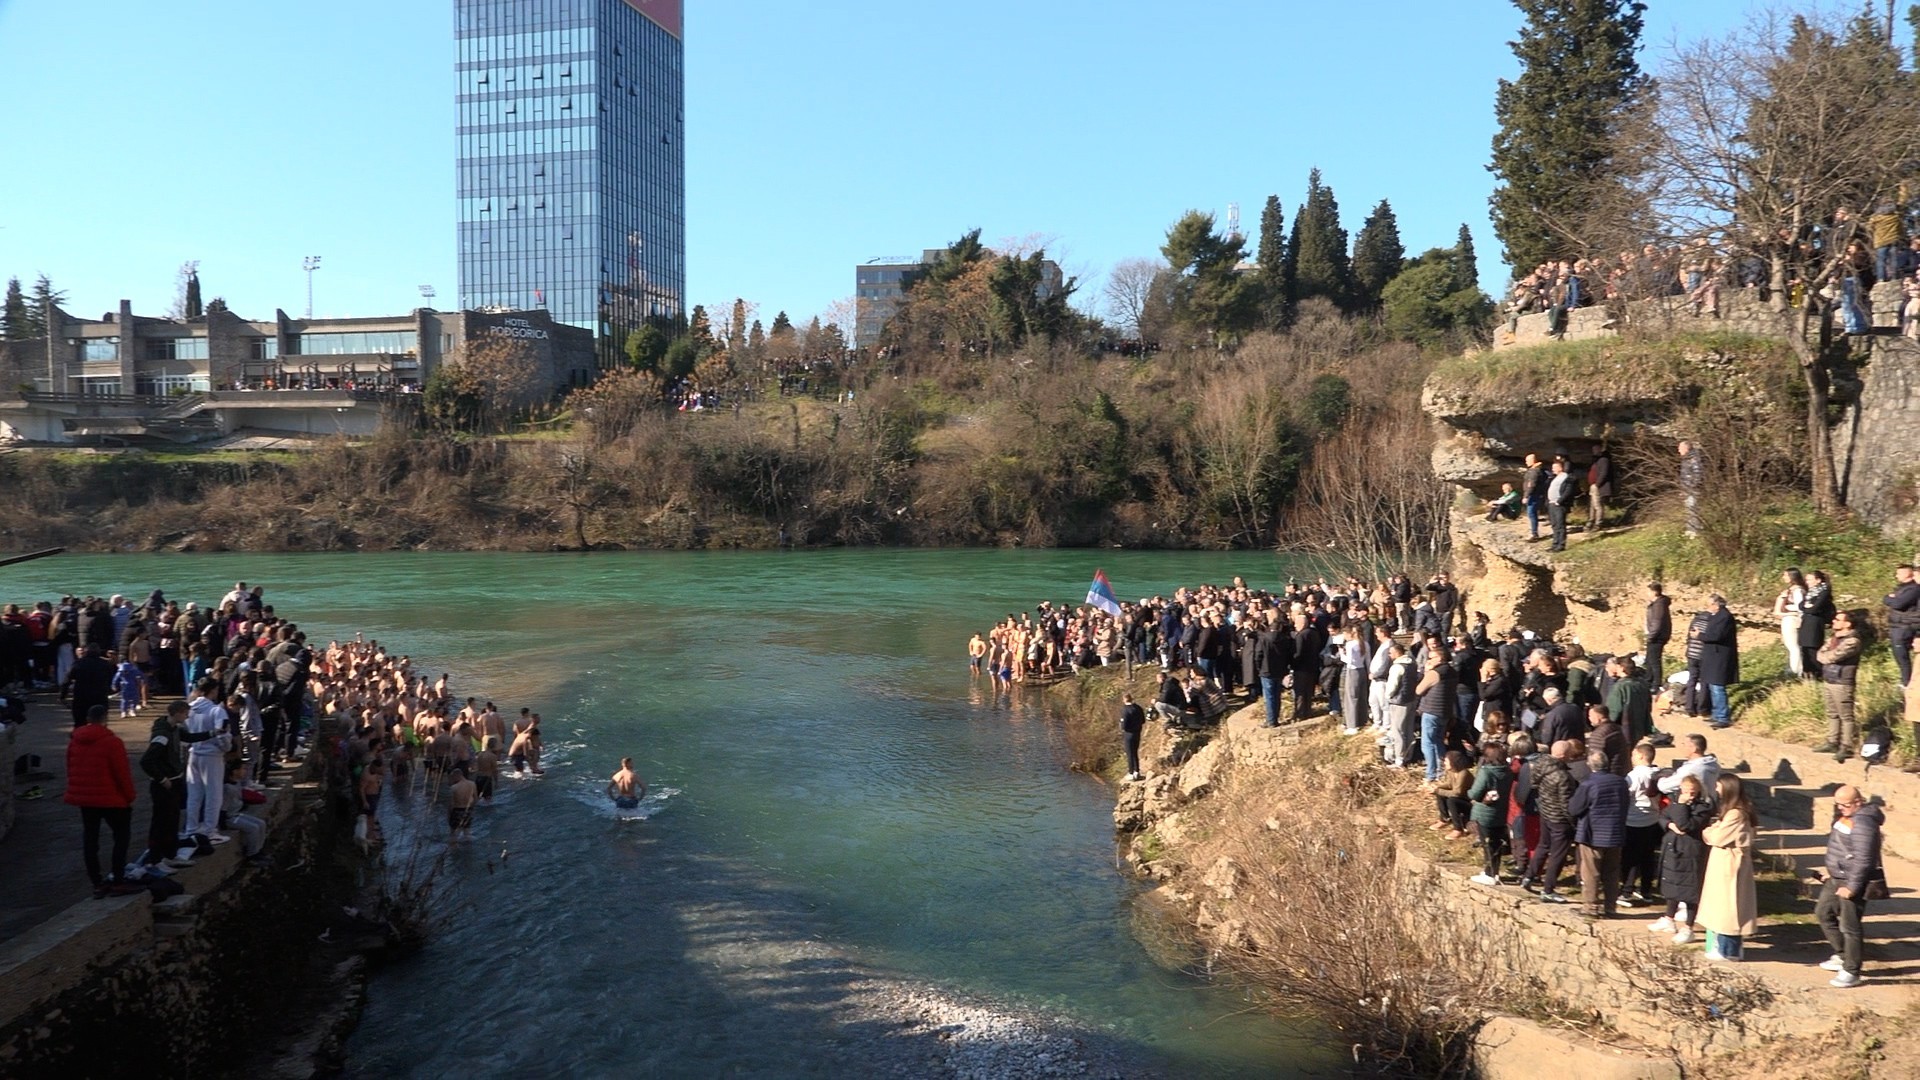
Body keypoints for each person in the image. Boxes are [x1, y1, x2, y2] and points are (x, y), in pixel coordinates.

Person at [1813, 785, 1885, 988]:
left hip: (1851, 881)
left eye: (1844, 805)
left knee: (1850, 926)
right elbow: (1842, 848)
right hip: (1837, 877)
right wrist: (1832, 870)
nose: (1840, 808)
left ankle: (1852, 971)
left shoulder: (1863, 823)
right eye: (1837, 804)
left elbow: (1864, 859)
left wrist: (1852, 887)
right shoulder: (1847, 816)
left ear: (1858, 802)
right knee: (1823, 912)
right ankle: (1843, 955)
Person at [67, 703, 140, 898]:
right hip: (111, 798)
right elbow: (122, 773)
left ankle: (97, 883)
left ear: (88, 719)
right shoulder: (112, 742)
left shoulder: (75, 741)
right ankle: (118, 879)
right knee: (121, 837)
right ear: (105, 718)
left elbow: (70, 768)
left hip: (86, 798)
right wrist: (130, 796)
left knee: (90, 839)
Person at [139, 700, 213, 870]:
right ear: (178, 713)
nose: (187, 717)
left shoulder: (174, 729)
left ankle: (169, 855)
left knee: (172, 821)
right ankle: (156, 858)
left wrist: (212, 733)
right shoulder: (163, 735)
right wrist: (162, 779)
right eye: (186, 714)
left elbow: (189, 737)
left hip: (174, 781)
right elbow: (146, 761)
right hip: (165, 786)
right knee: (161, 823)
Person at [1697, 774, 1757, 961]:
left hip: (1730, 866)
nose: (1716, 790)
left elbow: (1716, 837)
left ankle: (1729, 951)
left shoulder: (1736, 814)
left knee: (1729, 909)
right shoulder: (1733, 811)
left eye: (1718, 786)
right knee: (1722, 907)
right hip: (1725, 863)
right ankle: (1726, 947)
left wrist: (1709, 832)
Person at [1649, 773, 1712, 944]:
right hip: (1673, 848)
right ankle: (1669, 919)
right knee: (1672, 884)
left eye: (1692, 792)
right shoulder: (1675, 802)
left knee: (1690, 890)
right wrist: (1670, 825)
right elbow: (1663, 816)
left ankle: (1688, 927)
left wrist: (1681, 806)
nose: (1689, 796)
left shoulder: (1703, 808)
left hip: (1690, 853)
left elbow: (1685, 825)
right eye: (1685, 792)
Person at [1569, 748, 1629, 918]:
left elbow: (1574, 808)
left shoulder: (1588, 784)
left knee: (1591, 872)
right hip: (1615, 832)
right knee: (1612, 873)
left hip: (1592, 834)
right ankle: (1610, 907)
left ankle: (1591, 907)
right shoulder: (1621, 782)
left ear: (1590, 765)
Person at [1524, 740, 1579, 901]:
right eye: (1569, 753)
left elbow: (1534, 784)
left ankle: (1528, 877)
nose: (1571, 756)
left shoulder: (1541, 764)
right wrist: (1573, 823)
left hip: (1545, 812)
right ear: (1563, 755)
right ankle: (1548, 890)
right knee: (1558, 854)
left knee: (1543, 846)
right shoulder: (1562, 776)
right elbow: (1566, 804)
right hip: (1559, 819)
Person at [1814, 610, 1865, 762]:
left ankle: (1846, 746)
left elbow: (1832, 656)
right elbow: (1820, 655)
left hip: (1842, 682)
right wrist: (1826, 656)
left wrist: (1826, 656)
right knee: (1832, 713)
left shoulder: (1852, 641)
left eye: (1838, 619)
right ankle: (1832, 741)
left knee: (1846, 716)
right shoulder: (1834, 638)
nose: (1834, 621)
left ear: (1847, 624)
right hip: (1829, 679)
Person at [1620, 742, 1665, 907]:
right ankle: (1646, 891)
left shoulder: (1634, 776)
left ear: (1640, 756)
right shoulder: (1658, 774)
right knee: (1648, 857)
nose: (1631, 758)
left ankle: (1626, 891)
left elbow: (1625, 796)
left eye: (1633, 755)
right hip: (1652, 820)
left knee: (1630, 858)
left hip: (1633, 821)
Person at [1467, 741, 1515, 886]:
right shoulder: (1509, 771)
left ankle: (1490, 874)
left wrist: (1469, 792)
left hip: (1485, 814)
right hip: (1501, 812)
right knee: (1495, 843)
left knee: (1488, 844)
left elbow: (1474, 794)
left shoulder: (1486, 772)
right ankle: (1494, 872)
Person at [1695, 594, 1739, 728]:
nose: (1708, 608)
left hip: (1720, 656)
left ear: (1716, 604)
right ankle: (1716, 714)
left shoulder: (1724, 617)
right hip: (1713, 656)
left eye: (1709, 604)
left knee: (1717, 687)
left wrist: (1699, 635)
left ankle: (1723, 717)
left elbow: (1717, 635)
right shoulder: (1717, 616)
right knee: (1712, 686)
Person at [1883, 564, 1918, 688]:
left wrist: (1887, 598)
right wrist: (1890, 598)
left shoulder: (1913, 589)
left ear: (1907, 574)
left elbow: (1898, 603)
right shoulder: (1902, 588)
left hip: (1903, 627)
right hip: (1898, 626)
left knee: (1902, 657)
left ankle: (1907, 683)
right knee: (1900, 657)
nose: (1896, 576)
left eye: (1898, 573)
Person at [1657, 734, 1722, 799]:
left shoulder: (1692, 769)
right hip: (1712, 803)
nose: (1682, 747)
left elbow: (1663, 787)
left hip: (1696, 803)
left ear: (1693, 749)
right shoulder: (1713, 764)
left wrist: (1660, 777)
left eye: (1684, 745)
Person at [1799, 570, 1835, 683]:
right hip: (1806, 622)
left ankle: (1818, 674)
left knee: (1813, 649)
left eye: (1810, 579)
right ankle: (1808, 675)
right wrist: (1807, 608)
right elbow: (1801, 605)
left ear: (1818, 580)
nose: (1807, 582)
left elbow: (1815, 608)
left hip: (1815, 623)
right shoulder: (1811, 592)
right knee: (1805, 649)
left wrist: (1808, 608)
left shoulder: (1823, 592)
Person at [1430, 750, 1474, 839]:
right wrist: (1436, 787)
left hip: (1468, 801)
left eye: (1446, 761)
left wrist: (1438, 791)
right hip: (1459, 797)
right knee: (1440, 793)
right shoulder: (1451, 771)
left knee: (1451, 800)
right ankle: (1444, 819)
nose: (1444, 763)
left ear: (1453, 762)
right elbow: (1449, 784)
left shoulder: (1464, 773)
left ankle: (1458, 829)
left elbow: (1457, 792)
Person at [1775, 569, 1808, 678]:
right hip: (1789, 618)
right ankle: (1794, 668)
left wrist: (1787, 607)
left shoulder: (1797, 590)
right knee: (1791, 646)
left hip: (1791, 619)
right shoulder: (1793, 589)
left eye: (1786, 575)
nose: (1783, 577)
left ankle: (1796, 670)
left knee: (1793, 646)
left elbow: (1800, 607)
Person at [1644, 582, 1672, 689]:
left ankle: (1655, 684)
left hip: (1657, 636)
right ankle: (1649, 681)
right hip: (1656, 635)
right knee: (1650, 660)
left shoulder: (1659, 605)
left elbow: (1657, 622)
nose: (1647, 594)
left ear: (1654, 592)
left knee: (1654, 660)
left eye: (1649, 591)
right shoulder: (1657, 603)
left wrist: (1651, 636)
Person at [1545, 459, 1575, 552]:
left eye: (1554, 467)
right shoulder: (1555, 478)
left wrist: (1559, 501)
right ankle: (1555, 544)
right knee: (1554, 525)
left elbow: (1568, 491)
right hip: (1552, 504)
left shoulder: (1566, 477)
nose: (1552, 469)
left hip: (1559, 505)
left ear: (1560, 468)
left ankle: (1561, 545)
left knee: (1560, 525)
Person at [1677, 440, 1704, 537]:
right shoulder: (1686, 459)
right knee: (1689, 509)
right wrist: (1683, 489)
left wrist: (1692, 486)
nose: (1678, 450)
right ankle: (1691, 529)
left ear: (1686, 448)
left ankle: (1695, 531)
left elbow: (1698, 474)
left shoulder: (1694, 459)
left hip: (1693, 489)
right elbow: (1684, 476)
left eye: (1680, 448)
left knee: (1693, 509)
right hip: (1687, 488)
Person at [1119, 694, 1146, 781]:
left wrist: (1122, 728)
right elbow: (1143, 720)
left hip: (1129, 734)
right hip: (1137, 733)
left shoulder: (1125, 710)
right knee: (1135, 752)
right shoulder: (1138, 708)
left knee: (1129, 753)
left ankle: (1131, 772)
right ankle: (1137, 771)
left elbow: (1124, 725)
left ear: (1124, 700)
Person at [1521, 453, 1548, 541]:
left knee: (1531, 513)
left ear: (1532, 461)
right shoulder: (1538, 470)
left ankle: (1534, 533)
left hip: (1533, 495)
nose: (1526, 462)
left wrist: (1526, 496)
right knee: (1532, 513)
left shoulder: (1534, 472)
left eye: (1527, 461)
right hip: (1536, 494)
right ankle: (1533, 531)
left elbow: (1531, 485)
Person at [1585, 444, 1612, 530]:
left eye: (1595, 450)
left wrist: (1597, 484)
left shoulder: (1604, 460)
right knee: (1592, 505)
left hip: (1598, 486)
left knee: (1598, 505)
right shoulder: (1596, 461)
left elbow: (1603, 473)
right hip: (1593, 485)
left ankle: (1598, 523)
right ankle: (1591, 521)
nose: (1594, 452)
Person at [447, 767, 478, 841]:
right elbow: (476, 799)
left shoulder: (454, 787)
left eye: (453, 777)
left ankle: (453, 846)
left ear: (456, 776)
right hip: (468, 810)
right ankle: (469, 846)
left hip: (457, 810)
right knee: (467, 832)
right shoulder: (472, 784)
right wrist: (472, 808)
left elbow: (451, 804)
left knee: (453, 833)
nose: (452, 780)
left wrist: (448, 815)